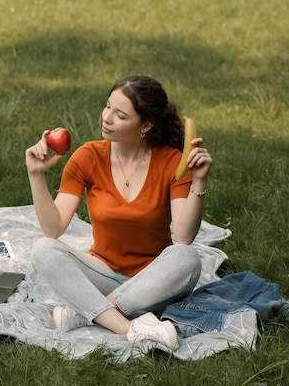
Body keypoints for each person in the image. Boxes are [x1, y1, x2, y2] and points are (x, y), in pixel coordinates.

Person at [24, 75, 213, 350]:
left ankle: (86, 312)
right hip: (102, 273)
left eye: (120, 115)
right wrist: (36, 175)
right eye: (107, 106)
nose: (107, 118)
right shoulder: (88, 156)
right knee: (44, 249)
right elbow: (53, 229)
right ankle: (128, 328)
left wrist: (199, 181)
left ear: (145, 125)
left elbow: (183, 236)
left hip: (155, 280)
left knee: (188, 258)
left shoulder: (171, 162)